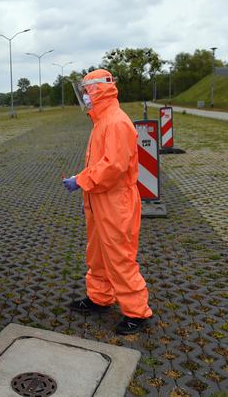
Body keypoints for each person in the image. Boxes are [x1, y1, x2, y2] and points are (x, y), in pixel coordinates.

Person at [62, 69, 153, 335]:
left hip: (115, 201)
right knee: (98, 254)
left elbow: (113, 167)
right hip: (100, 198)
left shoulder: (115, 122)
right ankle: (100, 297)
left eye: (87, 92)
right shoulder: (102, 121)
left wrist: (80, 180)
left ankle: (137, 311)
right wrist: (87, 193)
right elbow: (103, 164)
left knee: (120, 257)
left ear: (98, 90)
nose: (85, 98)